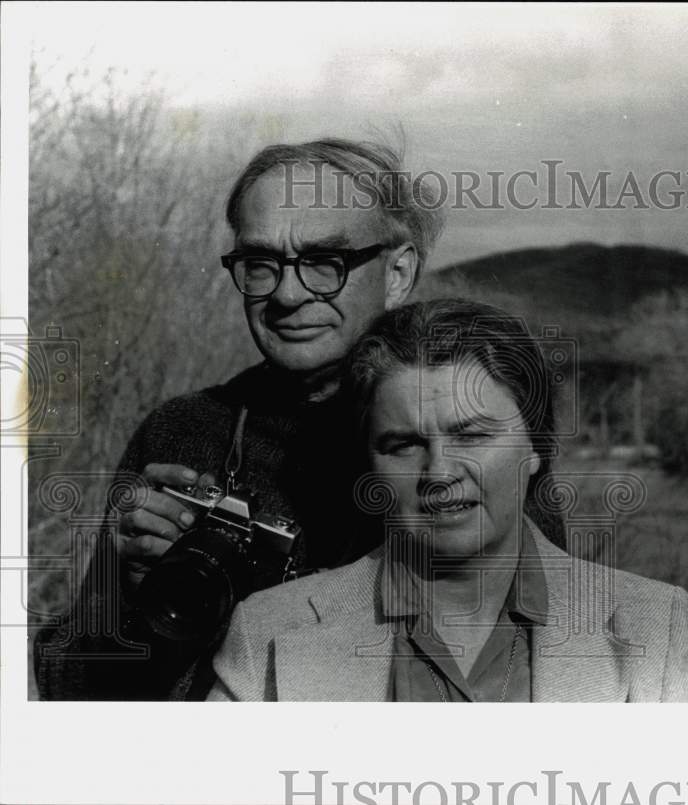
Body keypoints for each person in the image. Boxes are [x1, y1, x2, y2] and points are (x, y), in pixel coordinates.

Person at [33, 137, 444, 700]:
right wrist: (135, 604)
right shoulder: (180, 435)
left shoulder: (467, 441)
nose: (288, 295)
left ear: (398, 273)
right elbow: (71, 691)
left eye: (326, 263)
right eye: (261, 264)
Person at [209, 299, 688, 702]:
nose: (440, 472)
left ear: (536, 449)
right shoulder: (270, 632)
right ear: (369, 463)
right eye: (404, 445)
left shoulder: (653, 627)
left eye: (472, 436)